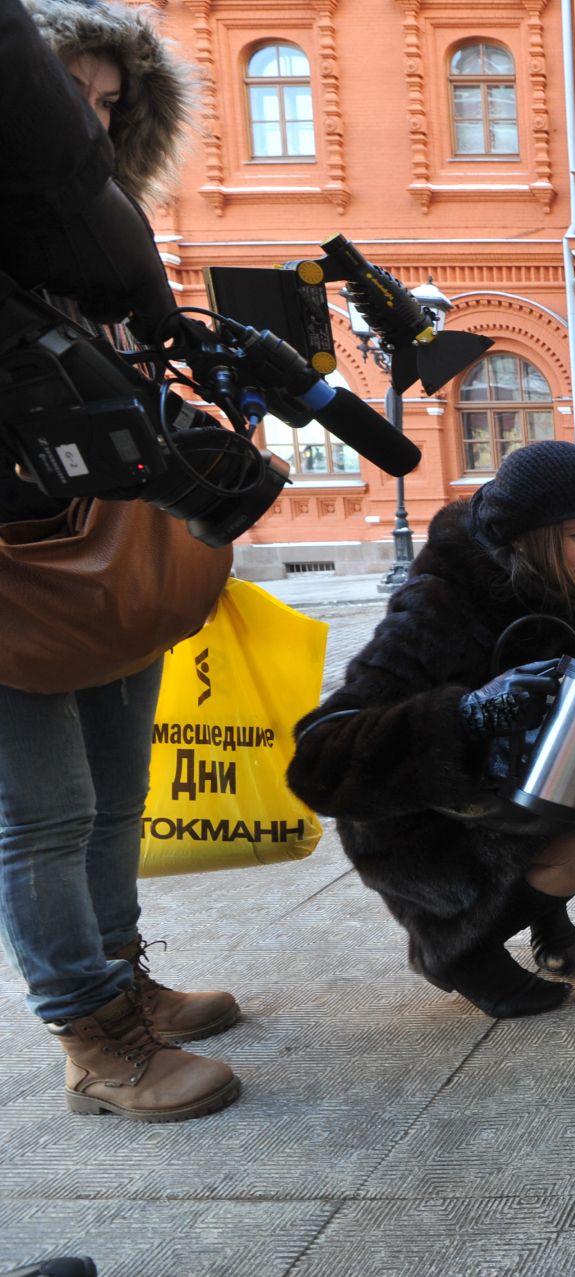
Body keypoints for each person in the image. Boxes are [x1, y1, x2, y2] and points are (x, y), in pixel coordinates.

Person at [0, 0, 240, 1124]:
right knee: (41, 809)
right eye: (71, 105)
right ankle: (92, 1036)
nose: (89, 131)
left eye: (108, 108)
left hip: (99, 538)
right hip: (12, 555)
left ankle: (118, 981)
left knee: (114, 795)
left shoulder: (95, 257)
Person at [286, 442, 575, 1018]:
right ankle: (455, 950)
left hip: (535, 792)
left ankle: (543, 900)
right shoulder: (438, 602)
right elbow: (319, 757)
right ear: (525, 538)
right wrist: (467, 717)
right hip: (432, 826)